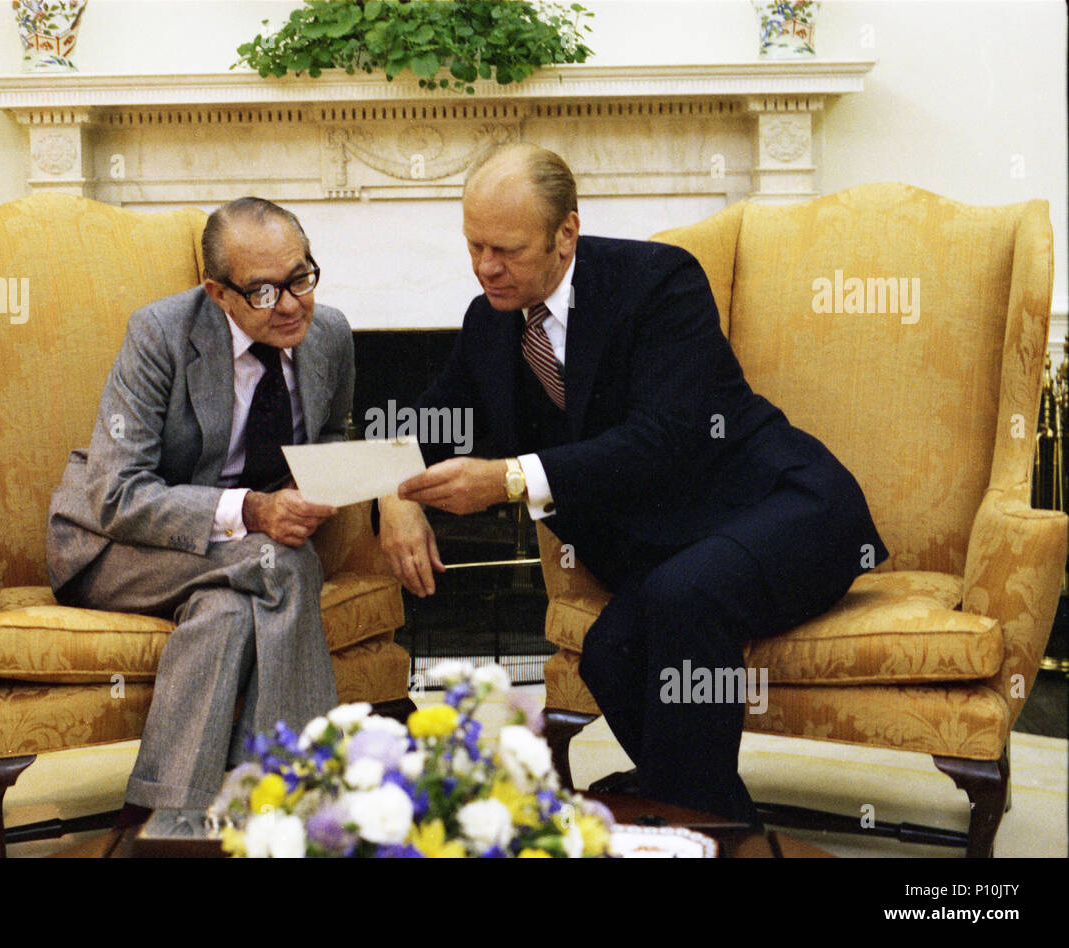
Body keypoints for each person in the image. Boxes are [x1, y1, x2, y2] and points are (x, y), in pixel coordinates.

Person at [378, 144, 888, 822]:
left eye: (507, 248)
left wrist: (507, 479)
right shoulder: (488, 325)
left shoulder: (657, 283)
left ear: (566, 234)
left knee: (682, 601)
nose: (485, 267)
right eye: (473, 245)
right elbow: (423, 426)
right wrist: (392, 492)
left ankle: (676, 816)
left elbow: (667, 438)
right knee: (611, 651)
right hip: (679, 555)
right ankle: (705, 815)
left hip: (787, 511)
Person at [46, 197, 351, 825]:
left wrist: (394, 498)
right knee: (282, 566)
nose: (292, 304)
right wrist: (253, 510)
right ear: (218, 293)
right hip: (116, 546)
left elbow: (329, 441)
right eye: (264, 292)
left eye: (300, 278)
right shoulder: (159, 333)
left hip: (226, 562)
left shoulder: (329, 335)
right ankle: (291, 803)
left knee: (228, 610)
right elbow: (117, 493)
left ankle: (170, 820)